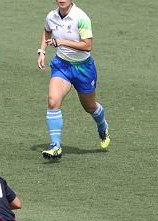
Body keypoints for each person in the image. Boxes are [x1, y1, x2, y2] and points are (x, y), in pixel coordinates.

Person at [38, 0, 110, 159]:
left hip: (83, 69)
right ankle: (55, 145)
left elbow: (87, 45)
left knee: (89, 107)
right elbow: (47, 31)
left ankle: (102, 125)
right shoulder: (51, 16)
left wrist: (62, 42)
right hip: (61, 66)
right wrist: (42, 51)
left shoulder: (81, 18)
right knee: (53, 101)